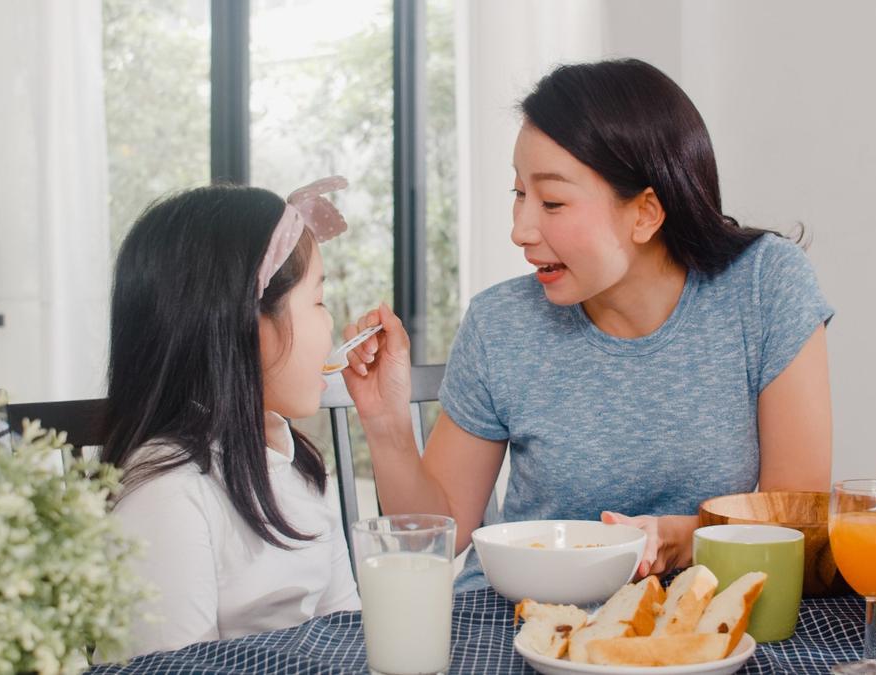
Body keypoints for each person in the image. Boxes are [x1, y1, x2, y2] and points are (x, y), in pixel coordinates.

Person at [342, 59, 834, 592]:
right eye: (519, 195)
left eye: (552, 201)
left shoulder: (765, 285)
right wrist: (386, 423)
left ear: (646, 213)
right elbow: (444, 533)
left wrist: (688, 538)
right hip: (511, 616)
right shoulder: (499, 323)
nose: (520, 230)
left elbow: (797, 516)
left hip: (703, 615)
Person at [99, 178, 360, 659]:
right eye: (318, 301)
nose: (331, 324)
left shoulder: (297, 462)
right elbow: (166, 669)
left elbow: (345, 632)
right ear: (245, 322)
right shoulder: (168, 493)